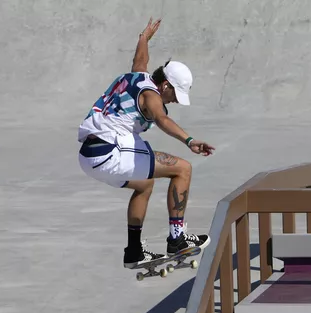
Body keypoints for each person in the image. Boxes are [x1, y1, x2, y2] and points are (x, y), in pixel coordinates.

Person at [77, 18, 215, 269]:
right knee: (183, 168)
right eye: (175, 94)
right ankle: (178, 239)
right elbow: (161, 119)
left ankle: (134, 251)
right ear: (165, 85)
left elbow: (140, 59)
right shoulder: (152, 96)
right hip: (111, 150)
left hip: (89, 155)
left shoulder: (139, 77)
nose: (174, 101)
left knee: (144, 184)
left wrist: (144, 37)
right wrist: (189, 140)